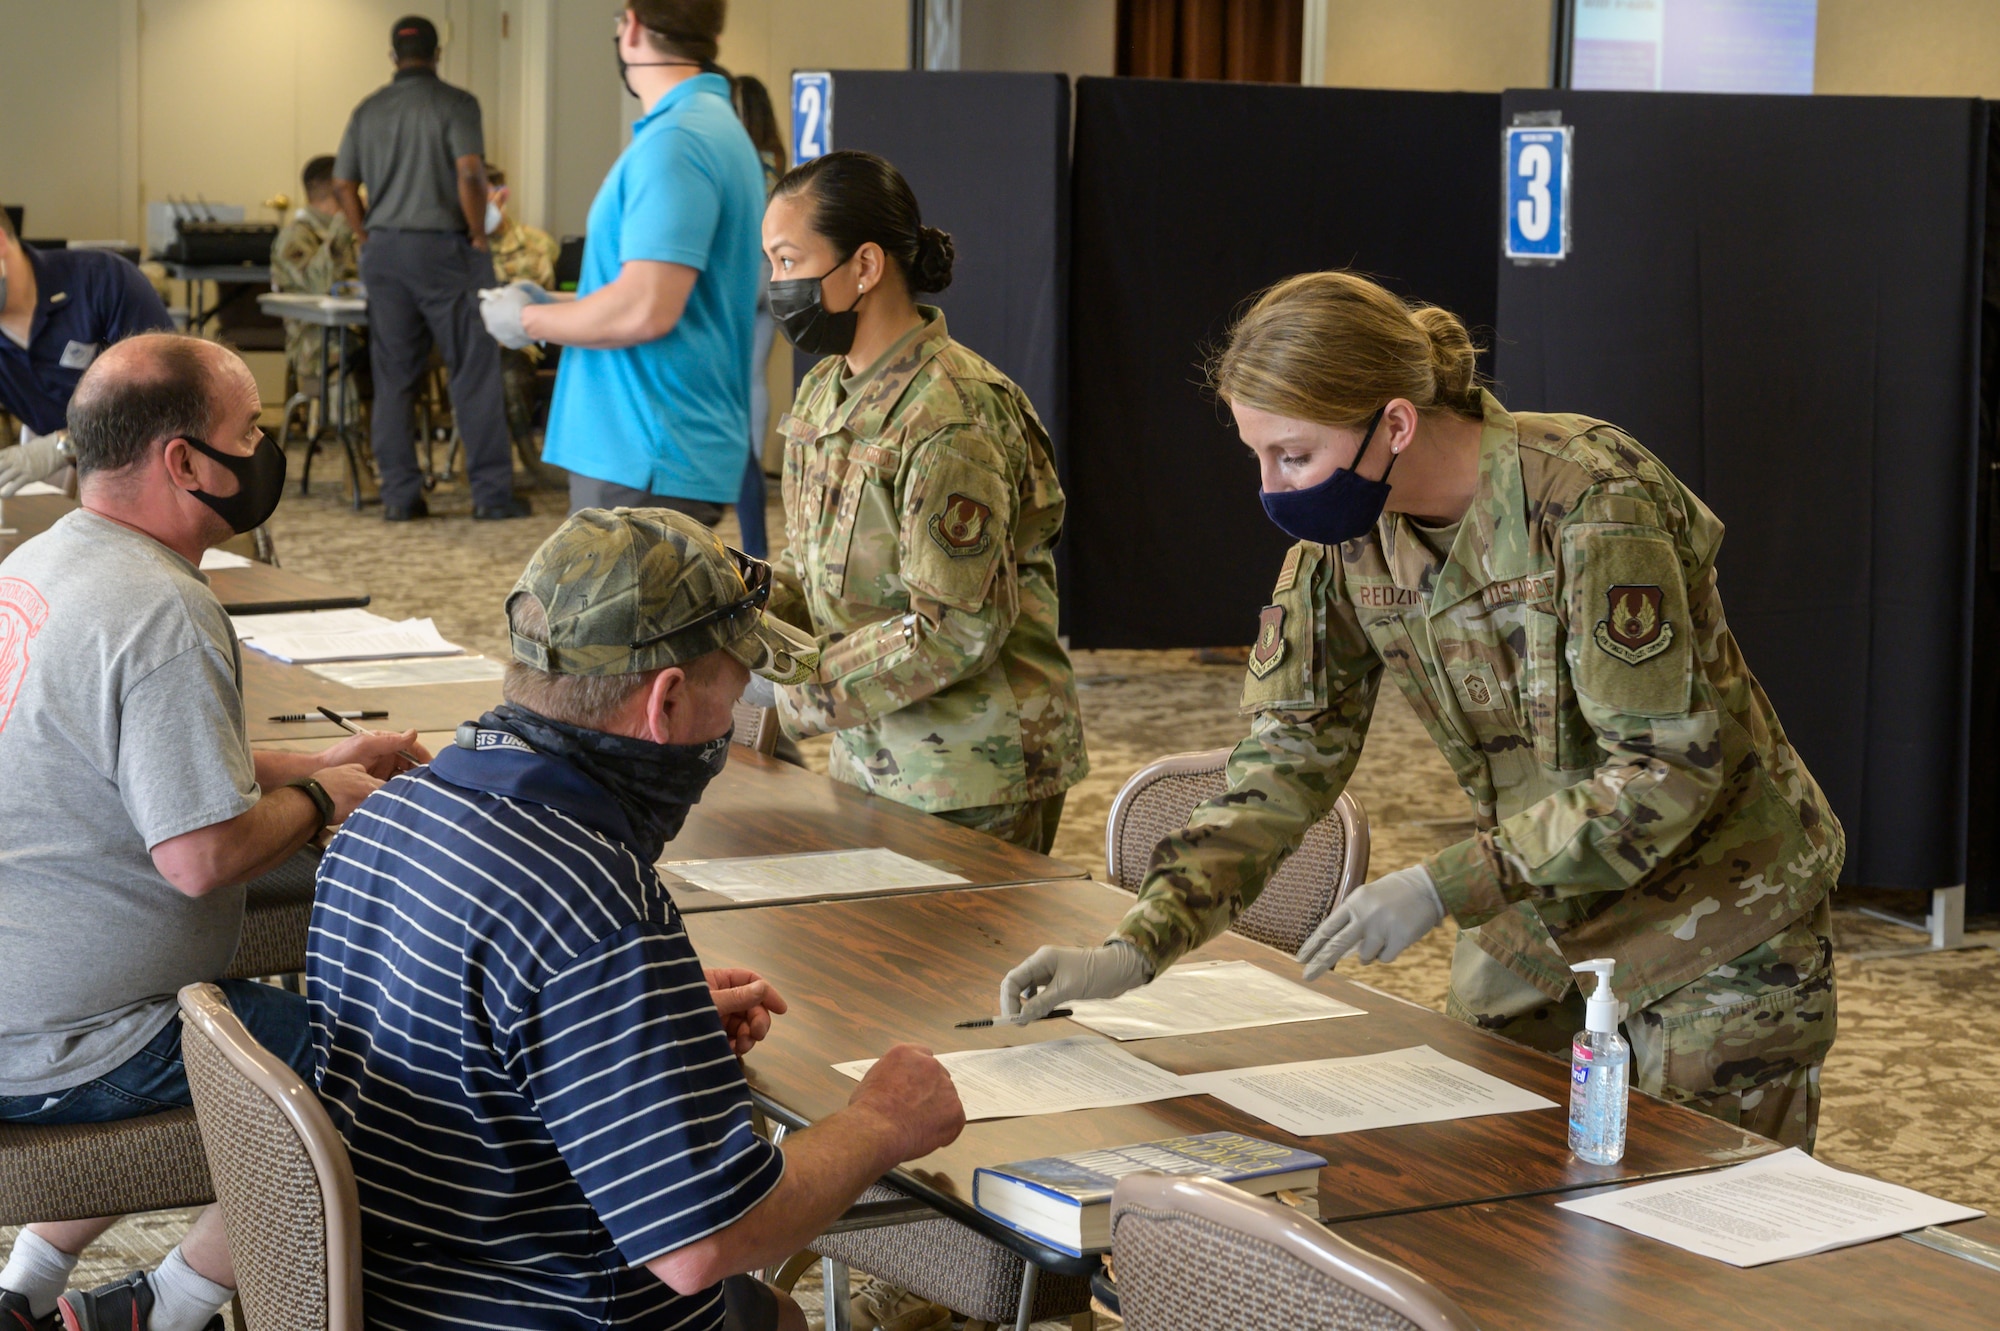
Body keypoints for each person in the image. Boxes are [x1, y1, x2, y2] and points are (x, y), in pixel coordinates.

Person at [1001, 271, 1842, 1151]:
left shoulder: (1591, 501)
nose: (1273, 487)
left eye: (1293, 455)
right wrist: (1137, 946)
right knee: (1476, 1183)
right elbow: (1285, 759)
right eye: (1257, 455)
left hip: (1717, 920)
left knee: (1699, 1218)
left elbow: (1668, 770)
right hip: (1536, 908)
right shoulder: (1347, 535)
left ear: (1394, 424)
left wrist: (1438, 884)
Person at [307, 506, 965, 1330]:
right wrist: (879, 1120)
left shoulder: (385, 814)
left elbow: (478, 1030)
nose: (727, 731)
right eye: (731, 698)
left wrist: (649, 1014)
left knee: (774, 1315)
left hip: (404, 1288)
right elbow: (701, 1242)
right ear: (669, 700)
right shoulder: (589, 898)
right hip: (540, 1304)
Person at [0, 333, 425, 1330]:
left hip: (35, 999)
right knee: (404, 1085)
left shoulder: (44, 561)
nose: (268, 449)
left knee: (218, 1018)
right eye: (253, 432)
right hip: (73, 1038)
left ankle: (25, 1289)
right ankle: (165, 1304)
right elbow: (199, 855)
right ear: (185, 462)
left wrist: (309, 765)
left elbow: (110, 764)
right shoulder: (161, 607)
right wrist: (334, 801)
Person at [758, 150, 1088, 858]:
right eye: (771, 264)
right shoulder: (825, 389)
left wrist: (791, 696)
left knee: (949, 968)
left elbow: (953, 628)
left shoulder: (951, 414)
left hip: (972, 771)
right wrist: (735, 611)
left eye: (788, 261)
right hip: (870, 749)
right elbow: (814, 570)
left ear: (866, 266)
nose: (777, 286)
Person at [479, 1, 765, 526]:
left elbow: (644, 309)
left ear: (630, 26)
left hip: (645, 448)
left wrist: (525, 322)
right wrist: (557, 302)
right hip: (651, 444)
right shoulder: (707, 128)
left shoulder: (678, 141)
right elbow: (665, 293)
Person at [333, 14, 527, 522]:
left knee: (394, 376)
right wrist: (480, 234)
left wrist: (365, 235)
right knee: (472, 371)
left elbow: (341, 186)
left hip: (386, 254)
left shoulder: (367, 110)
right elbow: (468, 171)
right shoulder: (457, 104)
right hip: (446, 250)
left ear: (393, 56)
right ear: (437, 53)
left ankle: (400, 497)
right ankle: (490, 496)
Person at [0, 204, 171, 497]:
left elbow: (166, 400)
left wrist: (65, 445)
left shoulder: (103, 281)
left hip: (156, 468)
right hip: (72, 478)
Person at [730, 73, 784, 557]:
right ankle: (757, 542)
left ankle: (741, 469)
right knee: (755, 382)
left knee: (730, 386)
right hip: (774, 277)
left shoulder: (734, 159)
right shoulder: (776, 163)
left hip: (740, 276)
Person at [270, 154, 363, 421]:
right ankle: (349, 450)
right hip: (315, 340)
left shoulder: (345, 231)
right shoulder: (296, 236)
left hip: (356, 329)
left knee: (403, 345)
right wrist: (343, 226)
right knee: (339, 349)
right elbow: (319, 284)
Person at [481, 161, 559, 473]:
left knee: (510, 367)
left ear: (502, 196)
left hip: (520, 343)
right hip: (467, 344)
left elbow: (547, 300)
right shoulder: (454, 247)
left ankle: (527, 454)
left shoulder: (537, 244)